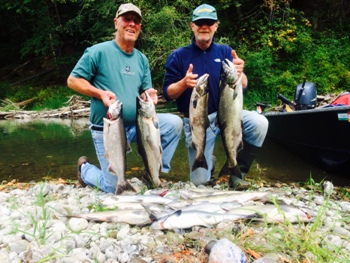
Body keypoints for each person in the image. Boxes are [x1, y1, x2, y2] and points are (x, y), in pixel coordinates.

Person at [67, 3, 182, 193]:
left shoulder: (141, 59)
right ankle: (85, 170)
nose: (132, 24)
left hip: (138, 125)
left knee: (174, 123)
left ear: (140, 28)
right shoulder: (98, 52)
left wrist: (148, 94)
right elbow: (73, 80)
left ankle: (153, 172)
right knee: (114, 187)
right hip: (108, 129)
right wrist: (100, 93)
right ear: (116, 23)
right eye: (127, 19)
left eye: (136, 21)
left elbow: (144, 90)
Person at [163, 4, 268, 189]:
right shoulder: (178, 56)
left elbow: (243, 85)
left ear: (216, 26)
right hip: (197, 122)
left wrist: (240, 74)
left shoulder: (226, 52)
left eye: (209, 22)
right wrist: (183, 83)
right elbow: (167, 93)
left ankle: (236, 172)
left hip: (228, 115)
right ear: (192, 26)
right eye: (200, 22)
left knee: (260, 123)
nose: (204, 26)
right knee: (200, 183)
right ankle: (208, 162)